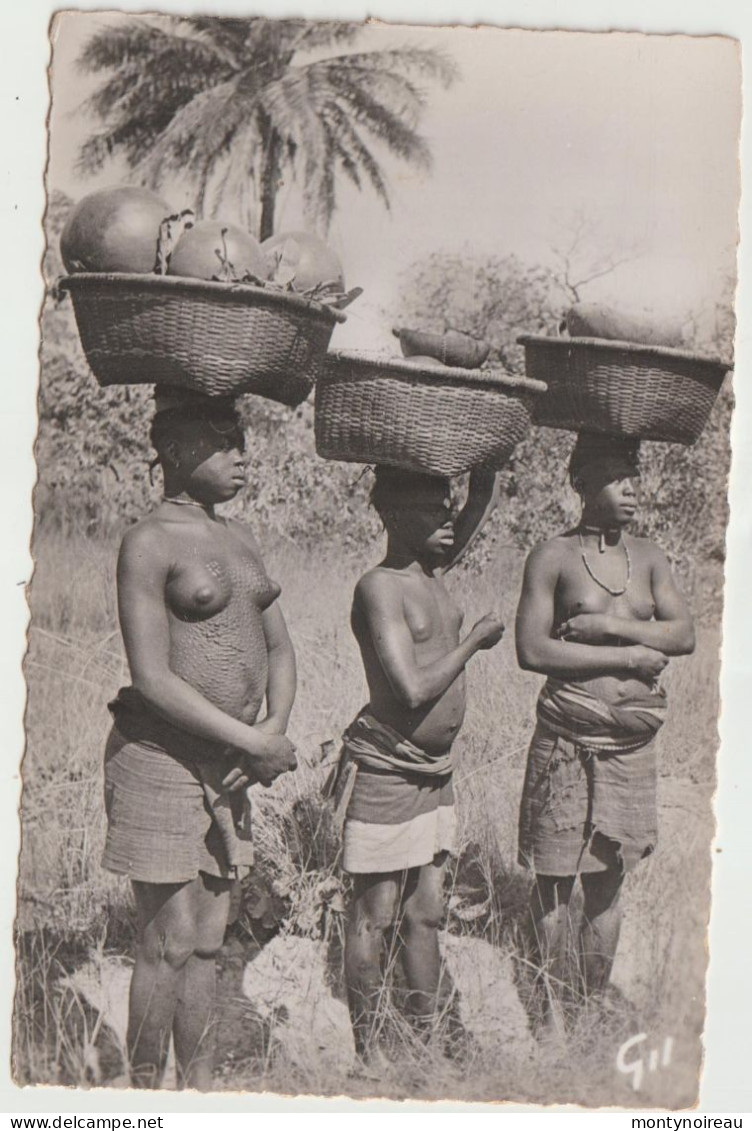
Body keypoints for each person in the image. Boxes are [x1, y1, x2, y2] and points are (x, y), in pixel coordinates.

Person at [103, 393, 297, 1089]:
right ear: (179, 451)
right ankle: (145, 1091)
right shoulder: (149, 541)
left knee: (212, 939)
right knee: (168, 939)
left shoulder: (240, 538)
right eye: (226, 441)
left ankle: (203, 1091)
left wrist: (268, 734)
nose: (243, 455)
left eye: (242, 439)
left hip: (232, 765)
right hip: (159, 757)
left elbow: (279, 647)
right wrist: (250, 736)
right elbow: (151, 677)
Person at [514, 433, 695, 1032]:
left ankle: (586, 1010)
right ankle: (545, 1015)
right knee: (553, 877)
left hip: (630, 751)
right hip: (566, 740)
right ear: (582, 484)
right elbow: (532, 649)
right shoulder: (553, 556)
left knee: (608, 882)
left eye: (636, 477)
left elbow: (682, 635)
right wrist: (625, 658)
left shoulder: (649, 555)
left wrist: (604, 626)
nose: (633, 490)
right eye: (618, 479)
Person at [330, 465, 504, 1061]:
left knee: (425, 912)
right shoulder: (380, 587)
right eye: (432, 510)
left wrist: (488, 466)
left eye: (448, 505)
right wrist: (473, 642)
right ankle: (370, 1054)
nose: (448, 520)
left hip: (435, 776)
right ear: (393, 517)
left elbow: (478, 505)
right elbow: (408, 689)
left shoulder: (430, 573)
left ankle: (425, 1043)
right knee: (375, 914)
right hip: (388, 771)